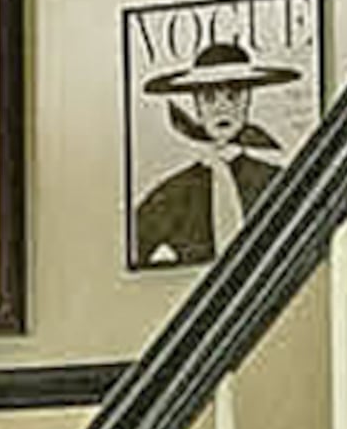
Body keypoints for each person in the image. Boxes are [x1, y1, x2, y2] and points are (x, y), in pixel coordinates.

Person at [129, 18, 311, 271]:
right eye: (209, 97)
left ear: (247, 100)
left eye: (233, 95)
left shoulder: (277, 183)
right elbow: (135, 249)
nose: (222, 107)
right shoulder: (173, 193)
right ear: (196, 106)